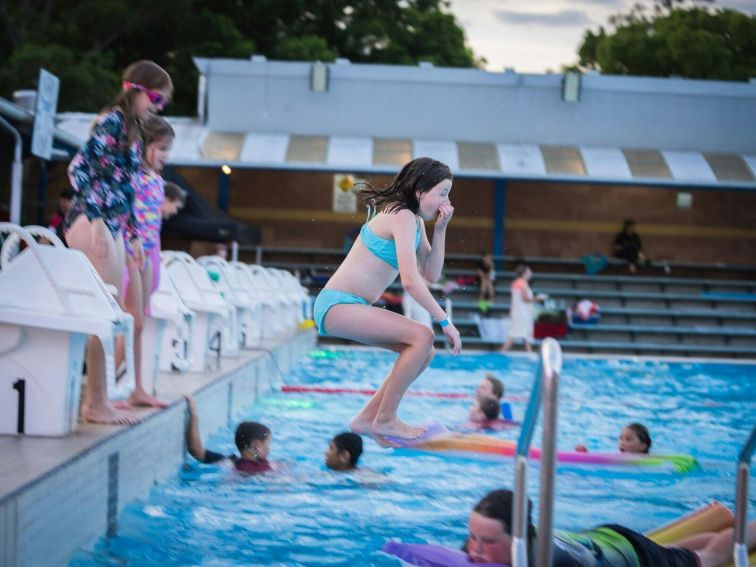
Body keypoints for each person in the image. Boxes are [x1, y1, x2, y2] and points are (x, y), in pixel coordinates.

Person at [312, 157, 462, 443]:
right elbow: (410, 281)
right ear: (421, 191)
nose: (447, 200)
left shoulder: (414, 220)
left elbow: (430, 272)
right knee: (422, 336)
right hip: (337, 304)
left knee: (423, 349)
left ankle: (368, 418)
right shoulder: (401, 215)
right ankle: (386, 419)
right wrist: (445, 321)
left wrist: (441, 229)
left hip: (349, 306)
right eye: (443, 192)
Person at [63, 59, 173, 424]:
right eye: (156, 98)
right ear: (137, 89)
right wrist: (95, 220)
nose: (158, 107)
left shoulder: (131, 128)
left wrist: (131, 235)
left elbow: (124, 188)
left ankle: (98, 399)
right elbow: (78, 169)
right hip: (91, 221)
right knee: (106, 310)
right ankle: (94, 402)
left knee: (109, 313)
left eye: (162, 103)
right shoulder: (112, 120)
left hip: (114, 225)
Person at [465, 488, 756, 567]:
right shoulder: (474, 549)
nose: (474, 549)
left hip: (636, 557)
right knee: (670, 551)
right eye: (472, 537)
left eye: (488, 542)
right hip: (604, 538)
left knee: (709, 559)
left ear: (516, 539)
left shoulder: (551, 561)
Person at [117, 116, 183, 408]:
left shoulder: (156, 179)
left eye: (168, 149)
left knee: (141, 321)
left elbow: (153, 225)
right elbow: (123, 218)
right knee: (133, 321)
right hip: (131, 252)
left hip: (147, 252)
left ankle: (137, 388)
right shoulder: (129, 175)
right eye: (161, 148)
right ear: (143, 146)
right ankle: (109, 385)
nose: (166, 155)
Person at [185, 395, 273, 474]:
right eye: (268, 444)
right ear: (257, 446)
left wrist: (194, 415)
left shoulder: (228, 462)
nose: (269, 449)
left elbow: (195, 450)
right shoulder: (263, 470)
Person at [500, 265, 546, 353]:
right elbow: (525, 298)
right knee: (515, 334)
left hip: (518, 311)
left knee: (525, 334)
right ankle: (502, 352)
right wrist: (538, 298)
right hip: (522, 313)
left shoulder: (515, 282)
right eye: (529, 272)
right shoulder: (523, 283)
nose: (531, 273)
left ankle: (529, 353)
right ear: (524, 273)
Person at [575, 422, 651, 454]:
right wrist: (586, 454)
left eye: (628, 439)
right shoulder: (615, 457)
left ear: (642, 446)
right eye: (621, 438)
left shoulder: (650, 461)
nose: (622, 442)